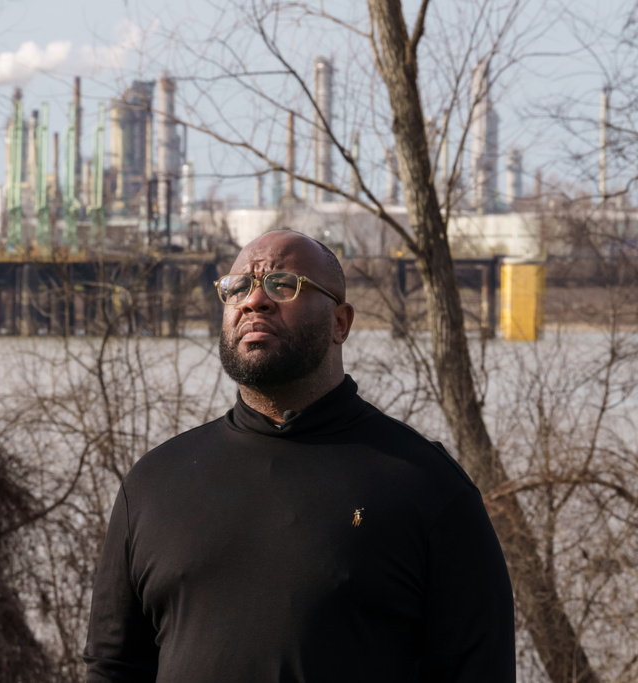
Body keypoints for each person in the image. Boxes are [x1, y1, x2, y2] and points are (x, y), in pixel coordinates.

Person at [83, 230, 515, 682]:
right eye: (238, 288)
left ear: (340, 323)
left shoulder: (426, 487)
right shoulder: (154, 484)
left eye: (283, 285)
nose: (255, 301)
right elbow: (113, 667)